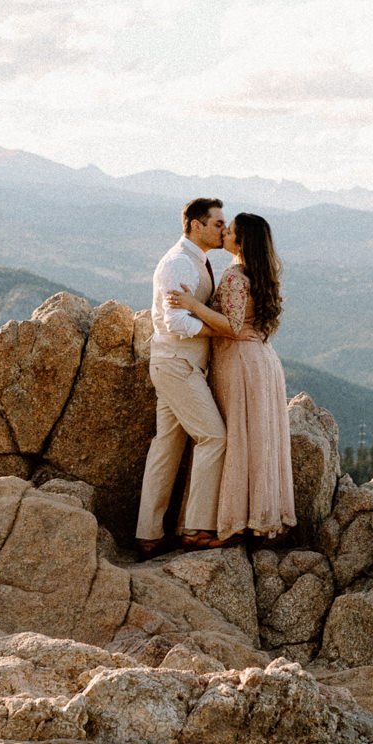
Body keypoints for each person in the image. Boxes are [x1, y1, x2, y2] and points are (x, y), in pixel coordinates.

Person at [166, 211, 295, 543]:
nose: (224, 233)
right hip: (261, 361)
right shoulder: (259, 273)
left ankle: (229, 525)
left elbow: (233, 326)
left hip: (239, 364)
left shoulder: (236, 277)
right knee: (255, 441)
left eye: (231, 230)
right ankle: (247, 520)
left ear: (242, 241)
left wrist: (192, 305)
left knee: (236, 438)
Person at [134, 197, 229, 556]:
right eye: (218, 223)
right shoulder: (178, 263)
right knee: (214, 437)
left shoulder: (196, 261)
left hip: (177, 363)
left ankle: (149, 534)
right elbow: (174, 321)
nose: (224, 229)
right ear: (195, 225)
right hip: (177, 363)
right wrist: (217, 328)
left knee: (167, 446)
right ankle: (195, 528)